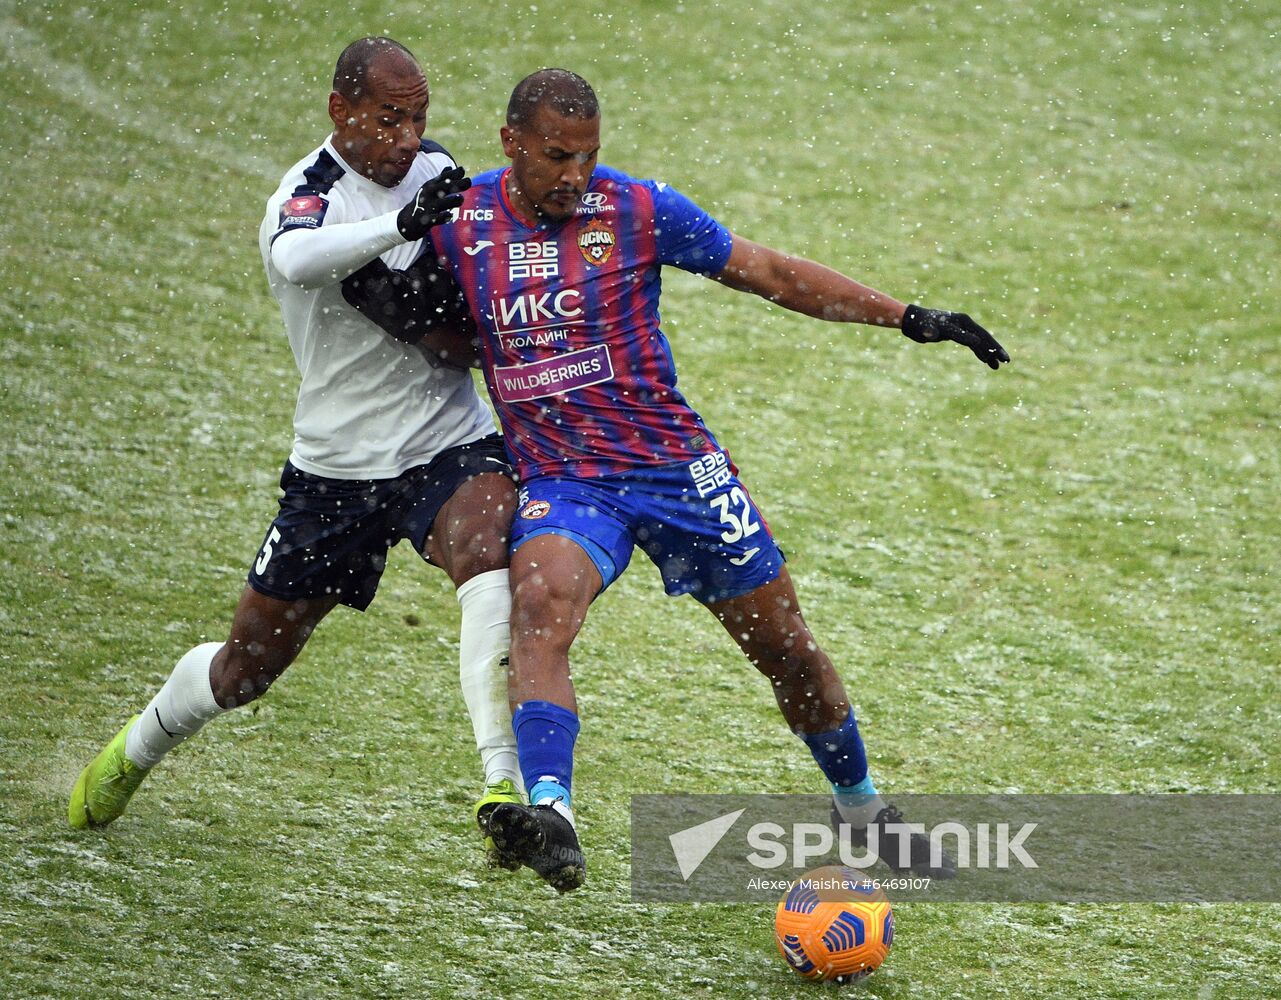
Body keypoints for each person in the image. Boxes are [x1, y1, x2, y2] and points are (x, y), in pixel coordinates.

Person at [346, 69, 1009, 893]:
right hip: (567, 482)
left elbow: (769, 272)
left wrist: (910, 317)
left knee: (786, 650)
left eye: (586, 156)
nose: (573, 176)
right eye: (556, 157)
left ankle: (864, 811)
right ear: (511, 143)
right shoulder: (463, 221)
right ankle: (551, 808)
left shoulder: (637, 209)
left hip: (676, 473)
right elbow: (393, 294)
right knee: (540, 605)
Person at [68, 38, 526, 864]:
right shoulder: (307, 195)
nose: (407, 136)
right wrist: (401, 225)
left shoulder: (433, 170)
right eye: (390, 118)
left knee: (488, 552)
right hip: (338, 469)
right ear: (339, 111)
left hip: (445, 441)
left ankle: (502, 784)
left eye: (419, 117)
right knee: (244, 671)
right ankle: (133, 752)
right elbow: (295, 256)